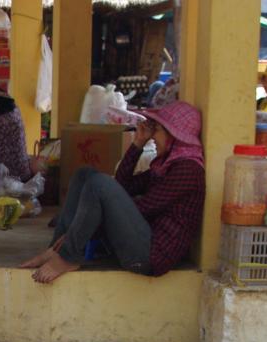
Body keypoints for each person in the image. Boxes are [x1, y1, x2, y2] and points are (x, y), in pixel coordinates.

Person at [19, 101, 205, 284]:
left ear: (174, 136)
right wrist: (138, 144)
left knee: (99, 184)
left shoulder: (188, 169)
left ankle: (67, 257)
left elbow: (143, 207)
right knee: (85, 174)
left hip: (150, 256)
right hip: (141, 240)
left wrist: (82, 229)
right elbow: (123, 185)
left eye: (157, 130)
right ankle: (57, 251)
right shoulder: (166, 165)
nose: (152, 137)